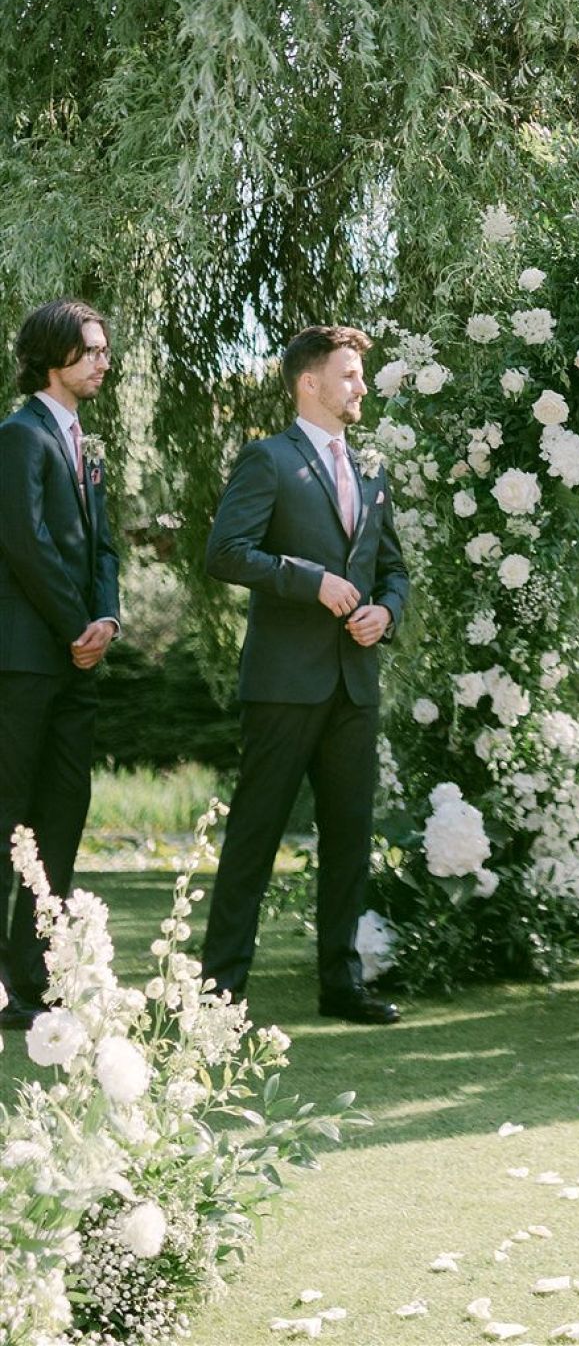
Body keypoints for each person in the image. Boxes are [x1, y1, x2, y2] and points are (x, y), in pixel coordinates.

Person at [200, 325, 409, 1023]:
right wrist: (309, 579)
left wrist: (386, 612)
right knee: (255, 837)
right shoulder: (268, 459)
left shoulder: (372, 468)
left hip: (355, 682)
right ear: (310, 383)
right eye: (349, 374)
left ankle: (342, 987)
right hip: (284, 684)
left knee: (349, 839)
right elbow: (226, 552)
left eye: (361, 375)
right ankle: (219, 993)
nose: (361, 386)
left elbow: (393, 570)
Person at [0, 300, 121, 1027]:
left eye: (105, 349)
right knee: (7, 813)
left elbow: (103, 547)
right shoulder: (18, 437)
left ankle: (37, 978)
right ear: (53, 357)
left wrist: (106, 620)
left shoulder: (87, 447)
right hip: (23, 660)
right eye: (92, 350)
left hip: (78, 662)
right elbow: (25, 542)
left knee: (62, 815)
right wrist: (77, 624)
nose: (104, 360)